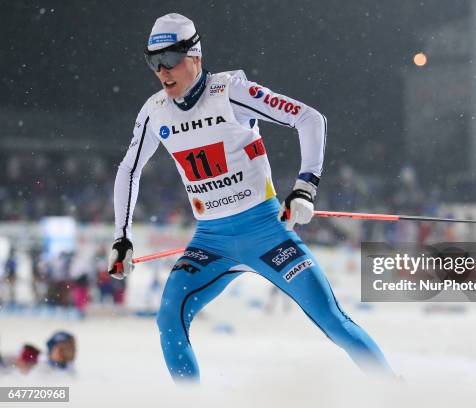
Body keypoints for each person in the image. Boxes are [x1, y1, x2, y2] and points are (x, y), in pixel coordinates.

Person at [108, 13, 392, 382]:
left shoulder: (230, 92)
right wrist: (121, 237)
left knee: (333, 321)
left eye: (170, 61)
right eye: (153, 62)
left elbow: (310, 119)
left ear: (195, 55)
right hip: (211, 243)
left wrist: (305, 186)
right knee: (168, 319)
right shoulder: (154, 111)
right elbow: (128, 170)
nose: (162, 72)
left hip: (267, 234)